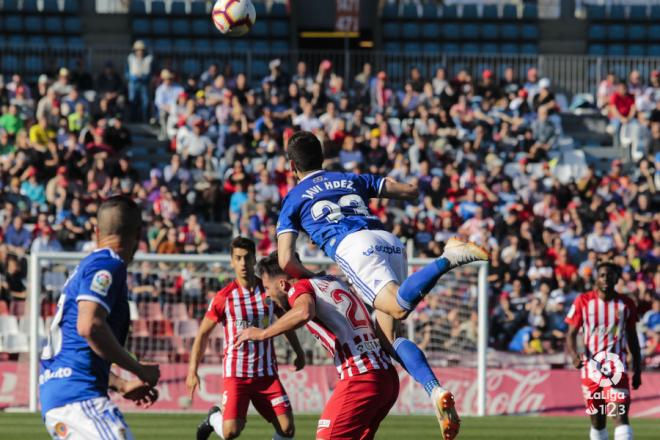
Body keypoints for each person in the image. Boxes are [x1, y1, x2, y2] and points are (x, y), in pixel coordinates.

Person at [277, 131, 489, 439]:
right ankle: (434, 390)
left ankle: (448, 258)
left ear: (293, 166)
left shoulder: (294, 198)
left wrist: (314, 276)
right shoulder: (351, 178)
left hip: (353, 246)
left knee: (396, 307)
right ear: (321, 158)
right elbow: (410, 191)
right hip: (389, 242)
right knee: (388, 337)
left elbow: (285, 260)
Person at [238, 252, 399, 440]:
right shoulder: (331, 280)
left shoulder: (299, 287)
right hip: (386, 376)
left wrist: (263, 333)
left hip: (361, 376)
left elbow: (304, 311)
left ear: (282, 284)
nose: (267, 295)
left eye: (266, 287)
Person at [39, 196, 161, 439]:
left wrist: (121, 384)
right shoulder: (108, 264)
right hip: (79, 399)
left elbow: (78, 345)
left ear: (96, 231)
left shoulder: (87, 267)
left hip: (60, 394)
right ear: (138, 233)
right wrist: (138, 369)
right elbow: (89, 327)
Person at [187, 237, 304, 440]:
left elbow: (285, 323)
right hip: (237, 375)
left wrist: (299, 351)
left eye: (247, 258)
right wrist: (192, 371)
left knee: (287, 429)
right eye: (238, 258)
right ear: (231, 261)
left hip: (266, 375)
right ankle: (214, 418)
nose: (242, 263)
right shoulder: (224, 298)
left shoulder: (268, 292)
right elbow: (203, 334)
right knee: (231, 431)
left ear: (254, 259)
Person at [565, 261, 642, 440]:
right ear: (596, 279)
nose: (606, 278)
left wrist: (637, 370)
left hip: (617, 368)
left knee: (619, 415)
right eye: (602, 275)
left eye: (610, 275)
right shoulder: (583, 301)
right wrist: (574, 355)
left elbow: (633, 339)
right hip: (591, 371)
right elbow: (571, 334)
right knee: (598, 421)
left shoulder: (626, 304)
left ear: (617, 279)